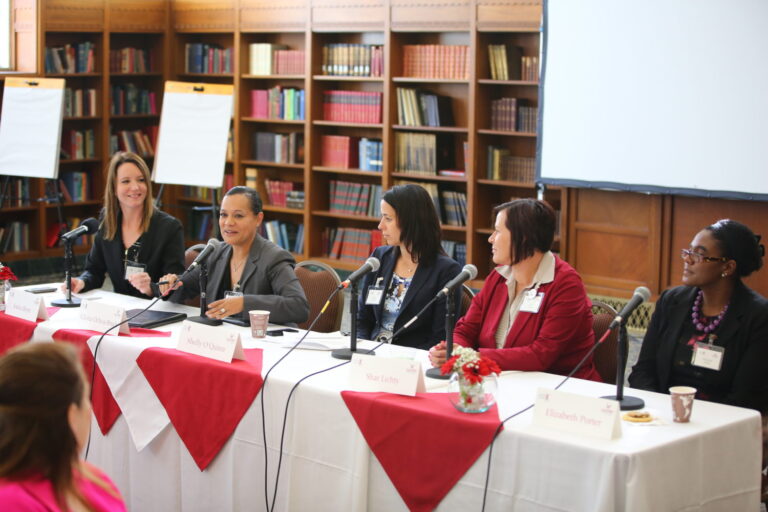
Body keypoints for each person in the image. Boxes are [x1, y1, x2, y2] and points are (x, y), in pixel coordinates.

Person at [428, 198, 601, 380]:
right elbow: (465, 330)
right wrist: (454, 349)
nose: (490, 238)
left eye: (498, 231)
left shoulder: (566, 284)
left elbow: (541, 354)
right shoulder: (498, 277)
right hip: (498, 380)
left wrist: (472, 357)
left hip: (557, 391)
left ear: (523, 237)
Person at [629, 219, 768, 413]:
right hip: (662, 416)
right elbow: (642, 371)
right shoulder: (671, 301)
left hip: (721, 425)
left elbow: (745, 397)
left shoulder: (758, 316)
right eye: (688, 252)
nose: (688, 260)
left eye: (699, 255)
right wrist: (659, 412)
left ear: (727, 267)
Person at [0, 343, 126, 511]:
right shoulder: (12, 502)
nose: (89, 410)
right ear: (72, 416)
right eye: (85, 399)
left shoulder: (91, 478)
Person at [160, 186, 309, 326]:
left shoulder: (274, 257)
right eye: (223, 215)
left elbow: (298, 307)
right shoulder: (215, 253)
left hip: (263, 343)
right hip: (220, 341)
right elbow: (182, 289)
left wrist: (244, 303)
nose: (228, 222)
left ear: (258, 219)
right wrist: (170, 285)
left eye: (238, 215)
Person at [62, 151, 185, 299]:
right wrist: (81, 282)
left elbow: (176, 283)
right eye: (126, 181)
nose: (135, 187)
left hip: (156, 311)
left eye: (141, 180)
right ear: (114, 188)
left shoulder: (169, 227)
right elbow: (94, 271)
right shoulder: (107, 221)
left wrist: (151, 288)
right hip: (120, 311)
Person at [356, 184, 462, 350]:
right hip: (370, 354)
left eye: (388, 219)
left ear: (411, 221)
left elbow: (439, 338)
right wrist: (361, 349)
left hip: (412, 361)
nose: (380, 225)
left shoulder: (447, 271)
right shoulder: (379, 257)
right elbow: (362, 319)